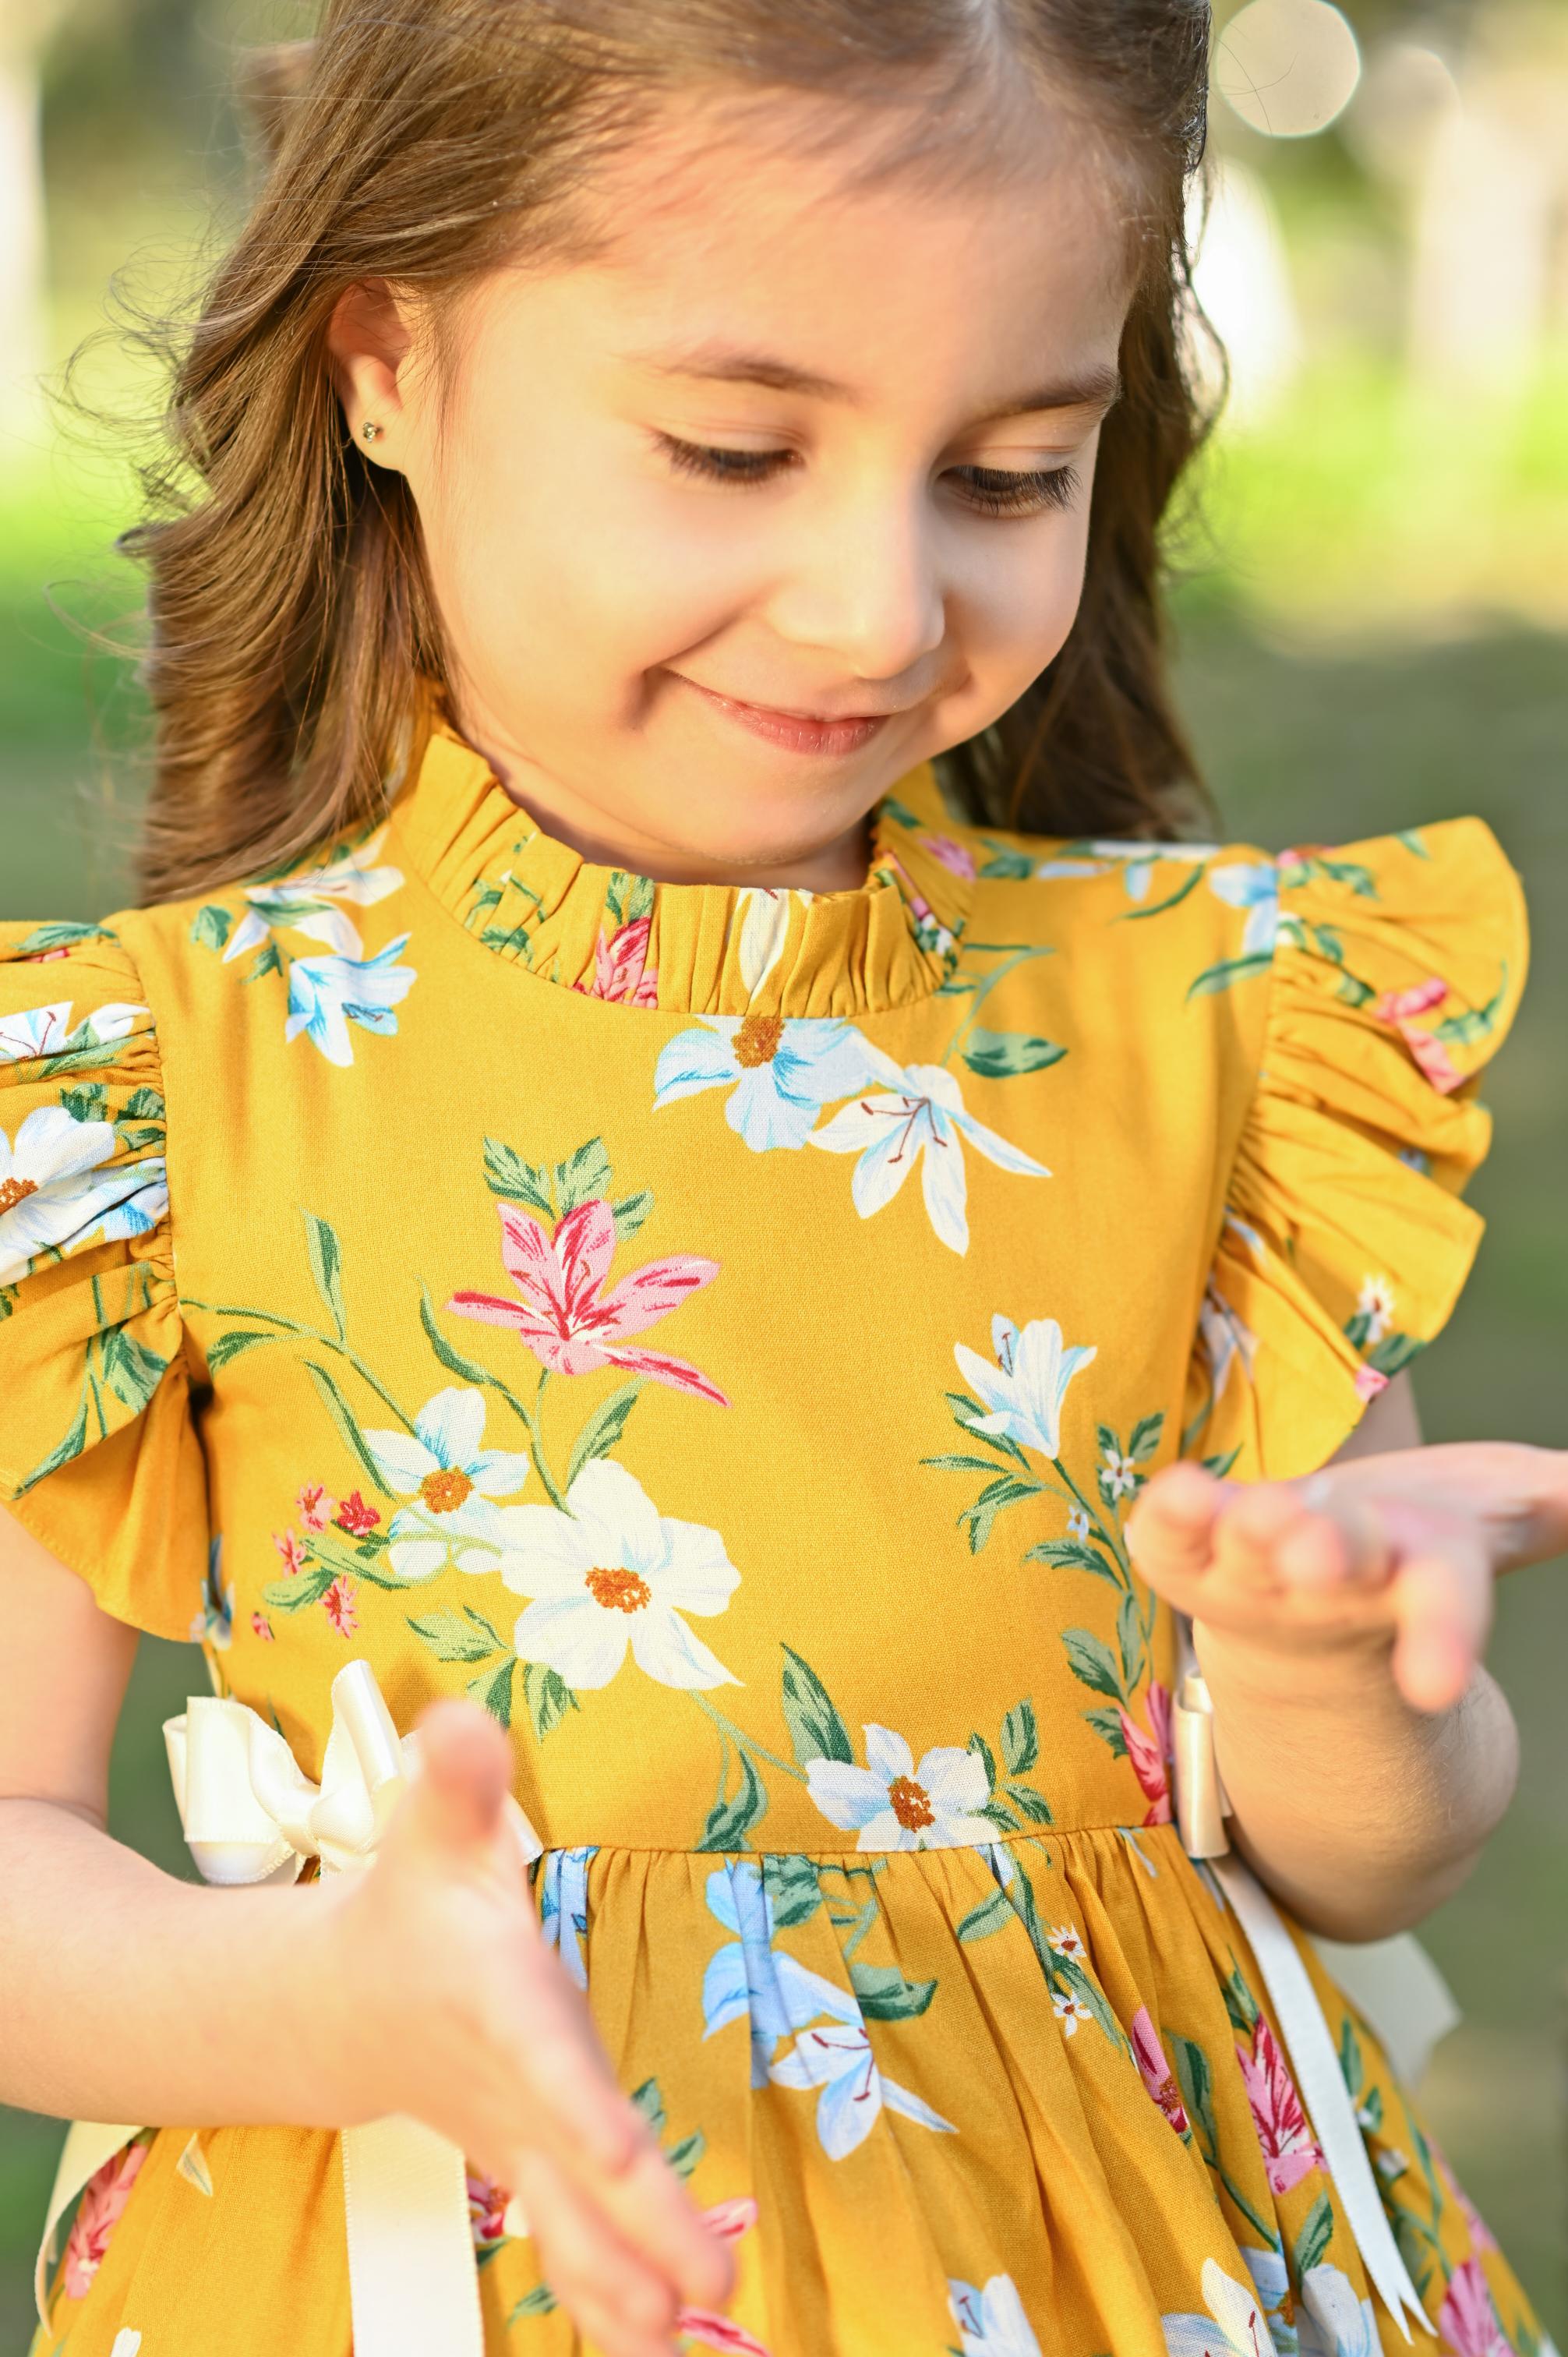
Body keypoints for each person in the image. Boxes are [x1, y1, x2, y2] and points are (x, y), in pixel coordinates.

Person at [1, 3, 1563, 2353]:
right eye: (735, 451)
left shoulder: (1217, 1027)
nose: (876, 606)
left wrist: (1334, 1675)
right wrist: (328, 2005)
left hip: (1168, 2274)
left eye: (1009, 472)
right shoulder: (147, 1090)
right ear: (382, 364)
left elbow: (1359, 1865)